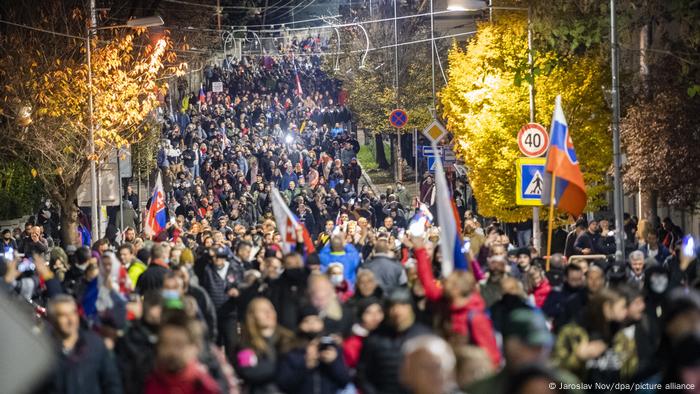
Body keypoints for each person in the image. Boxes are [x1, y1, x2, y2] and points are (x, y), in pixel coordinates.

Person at [413, 236, 501, 367]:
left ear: (459, 288)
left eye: (451, 283)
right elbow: (428, 283)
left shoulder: (476, 317)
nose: (445, 284)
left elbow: (492, 356)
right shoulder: (446, 303)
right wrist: (420, 251)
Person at [467, 309, 582, 394]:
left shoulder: (566, 386)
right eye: (533, 347)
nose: (541, 353)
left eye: (544, 346)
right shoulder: (483, 389)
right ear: (510, 347)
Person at [553, 288, 637, 385]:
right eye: (622, 307)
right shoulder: (573, 333)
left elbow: (630, 371)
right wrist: (578, 357)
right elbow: (556, 371)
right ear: (607, 307)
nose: (626, 311)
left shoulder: (621, 335)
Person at [42, 294, 122, 394]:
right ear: (52, 319)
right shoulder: (42, 351)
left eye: (73, 313)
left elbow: (112, 383)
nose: (71, 320)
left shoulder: (95, 345)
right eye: (63, 315)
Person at [356, 288, 431, 394]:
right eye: (393, 306)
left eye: (403, 305)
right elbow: (362, 374)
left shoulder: (424, 337)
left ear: (411, 308)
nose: (397, 311)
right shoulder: (375, 338)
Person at [276, 305, 351, 394]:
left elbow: (344, 381)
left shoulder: (331, 347)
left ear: (322, 324)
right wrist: (306, 366)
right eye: (306, 321)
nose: (311, 324)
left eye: (316, 320)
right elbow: (284, 385)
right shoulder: (291, 350)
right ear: (299, 325)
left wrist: (333, 363)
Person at [144, 309, 220, 394]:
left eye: (179, 345)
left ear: (196, 348)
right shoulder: (146, 382)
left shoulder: (206, 388)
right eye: (165, 343)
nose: (171, 351)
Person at [234, 297, 294, 394]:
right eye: (262, 310)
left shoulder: (289, 339)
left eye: (271, 309)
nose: (268, 313)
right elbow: (247, 372)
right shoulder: (245, 343)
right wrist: (282, 366)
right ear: (252, 316)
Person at [342, 297, 384, 370]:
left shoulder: (390, 336)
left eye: (379, 312)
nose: (375, 317)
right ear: (360, 316)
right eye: (368, 312)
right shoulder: (352, 343)